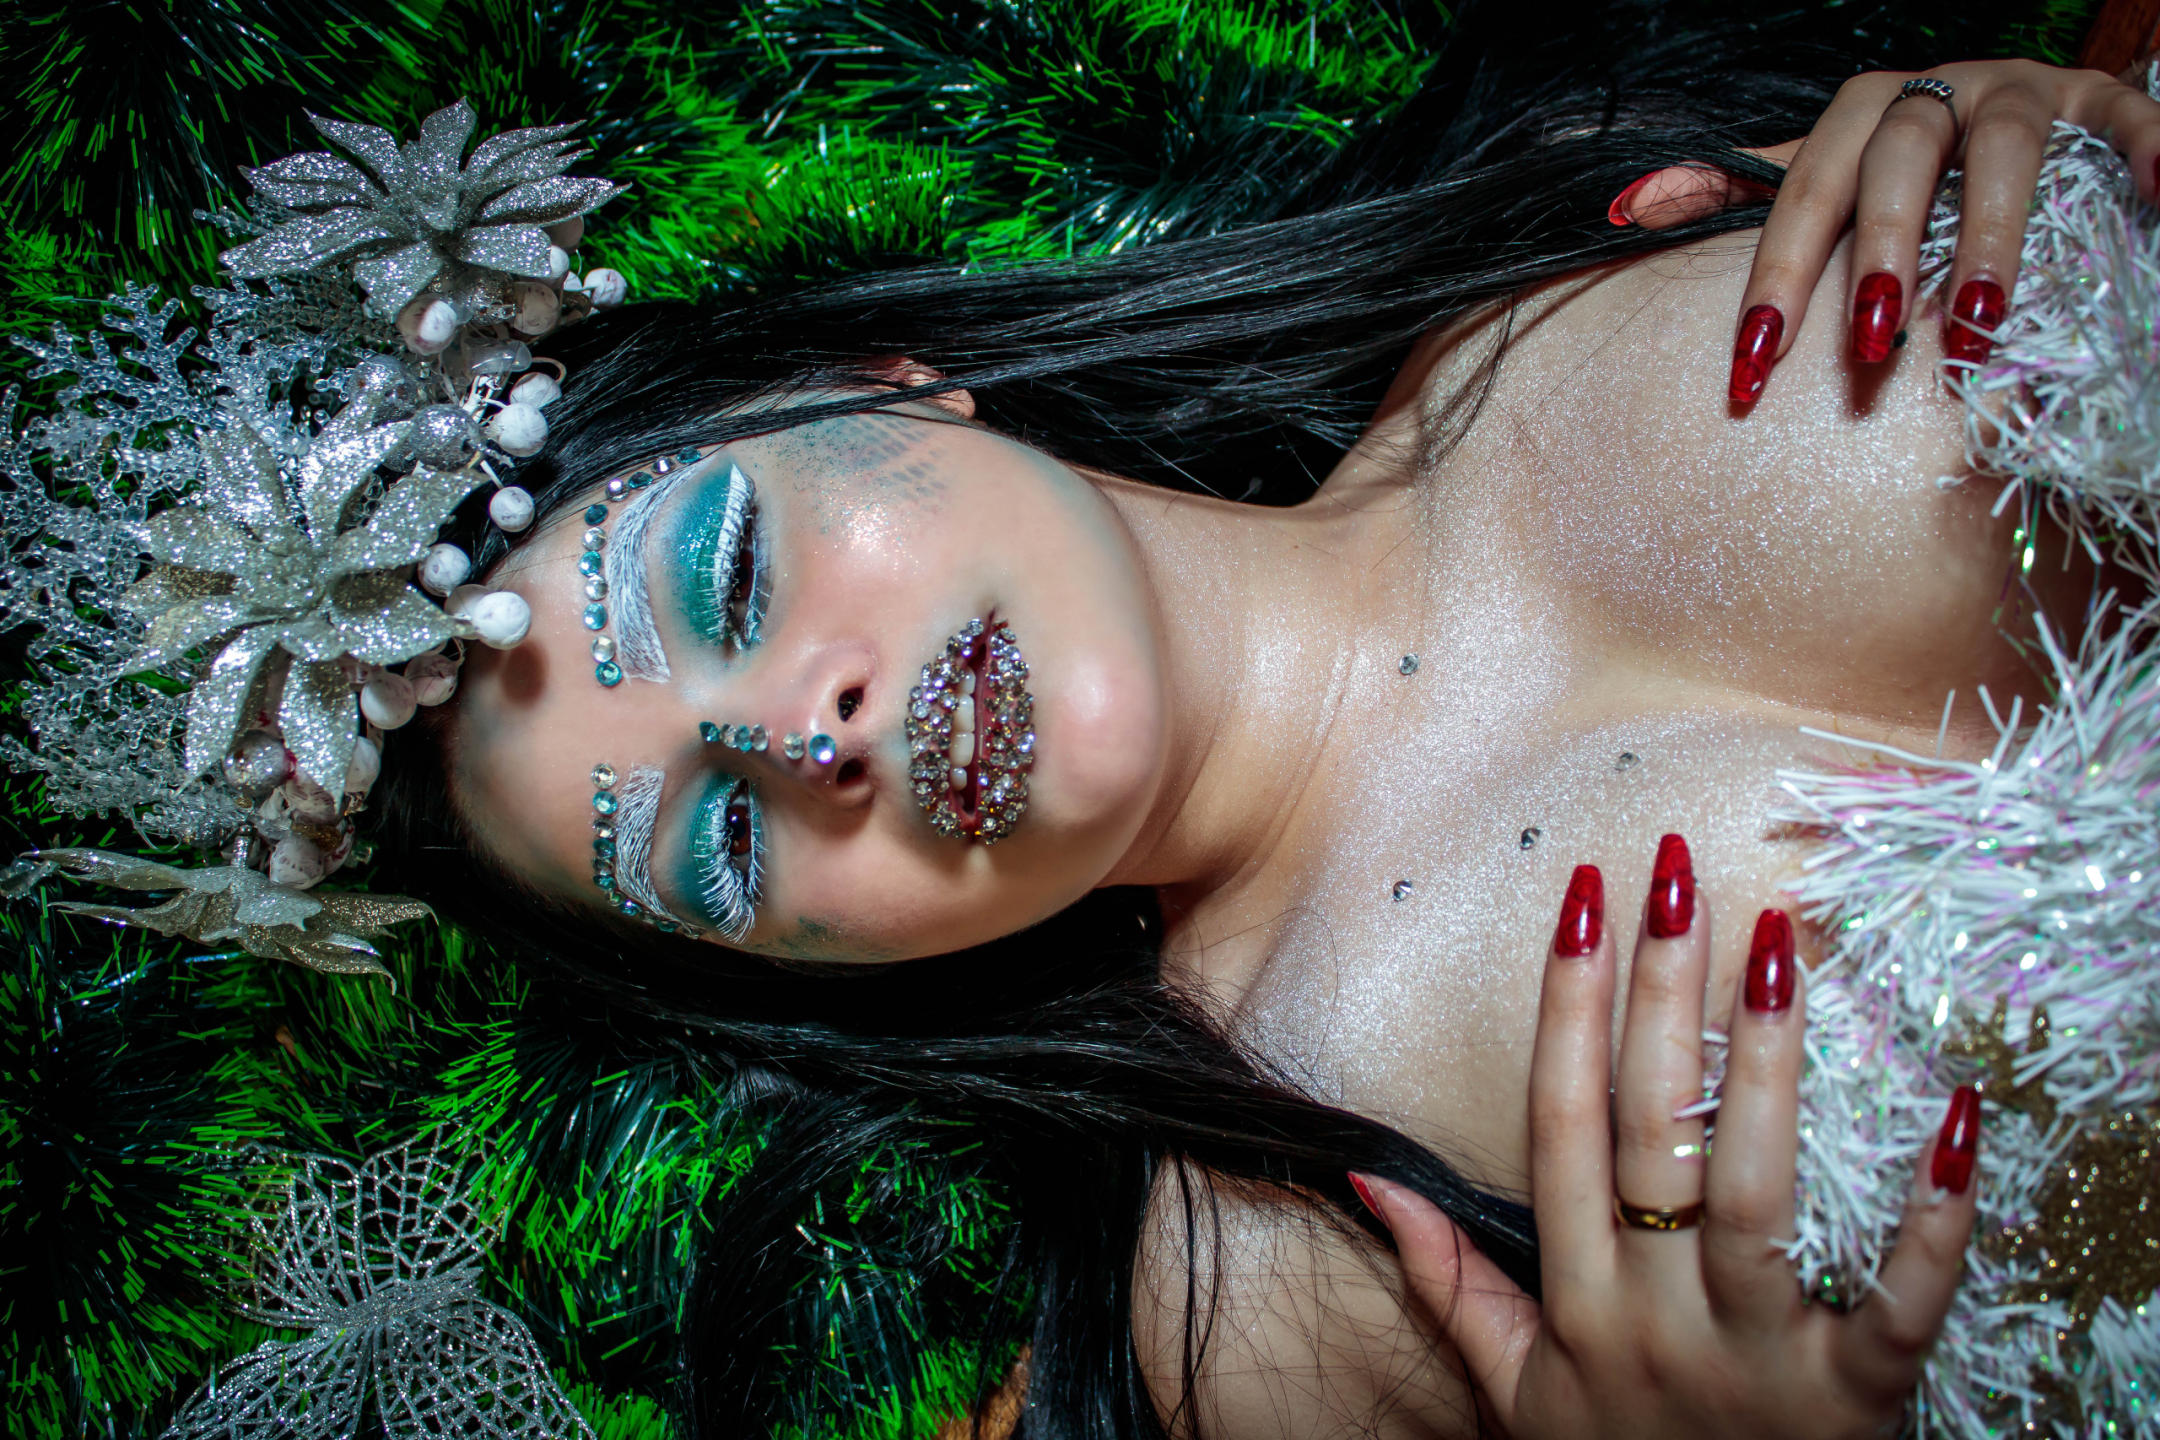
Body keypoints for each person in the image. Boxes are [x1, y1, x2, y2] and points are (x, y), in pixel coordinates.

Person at [363, 10, 2160, 1436]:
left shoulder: (1595, 209)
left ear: (874, 387)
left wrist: (2099, 136)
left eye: (733, 576)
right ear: (796, 974)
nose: (800, 739)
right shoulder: (1269, 1292)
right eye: (717, 839)